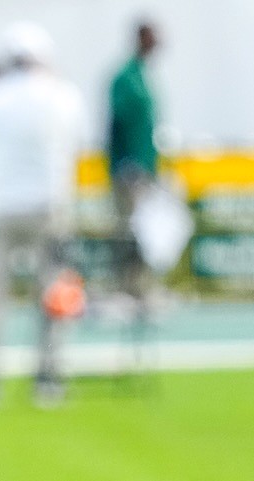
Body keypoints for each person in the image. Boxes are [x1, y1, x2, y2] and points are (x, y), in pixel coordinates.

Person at [0, 22, 86, 407]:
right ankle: (48, 376)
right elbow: (78, 143)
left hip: (0, 204)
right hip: (47, 205)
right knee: (52, 293)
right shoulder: (63, 96)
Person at [107, 20, 161, 330]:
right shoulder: (126, 78)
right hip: (129, 171)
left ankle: (140, 290)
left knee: (145, 233)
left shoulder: (142, 75)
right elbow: (120, 122)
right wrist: (127, 164)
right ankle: (124, 290)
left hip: (144, 170)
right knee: (127, 231)